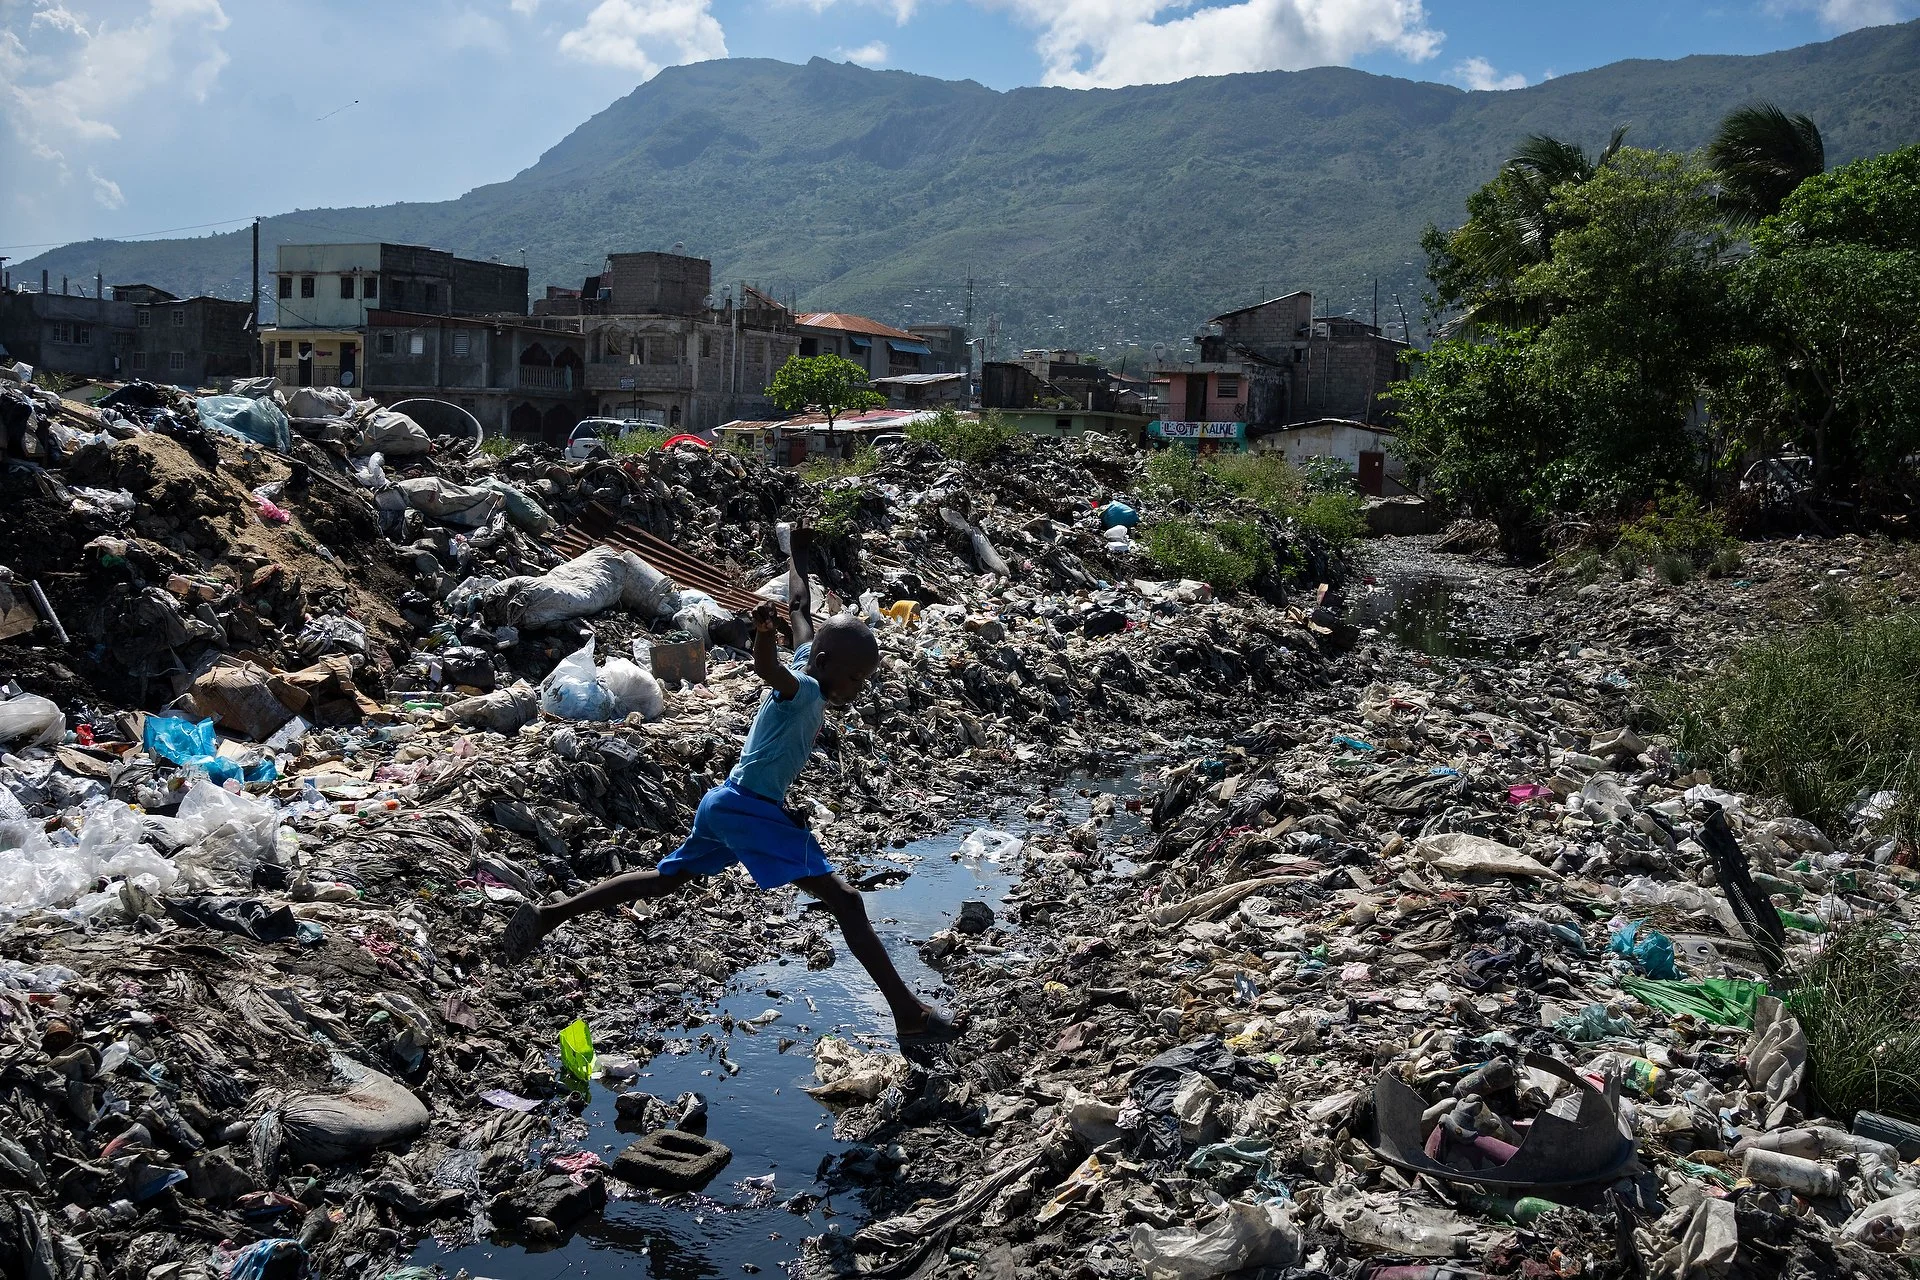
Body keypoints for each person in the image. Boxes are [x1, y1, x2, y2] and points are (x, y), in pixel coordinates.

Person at [503, 527, 963, 1043]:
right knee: (848, 902)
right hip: (746, 808)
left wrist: (794, 581)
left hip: (731, 804)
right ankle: (909, 1014)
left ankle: (547, 916)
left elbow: (799, 628)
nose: (858, 691)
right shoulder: (804, 686)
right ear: (830, 667)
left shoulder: (806, 667)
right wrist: (763, 637)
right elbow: (768, 666)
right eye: (856, 680)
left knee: (661, 881)